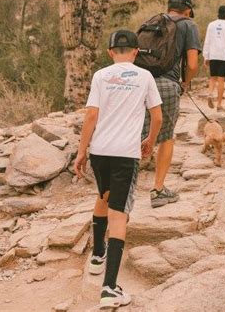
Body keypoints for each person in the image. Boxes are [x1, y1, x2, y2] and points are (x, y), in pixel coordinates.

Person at [74, 29, 163, 310]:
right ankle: (110, 288)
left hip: (99, 151)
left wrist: (81, 151)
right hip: (125, 153)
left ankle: (98, 254)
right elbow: (157, 115)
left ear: (111, 52)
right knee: (119, 213)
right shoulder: (145, 76)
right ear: (136, 51)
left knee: (103, 196)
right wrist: (150, 140)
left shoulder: (101, 75)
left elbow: (91, 115)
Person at [141, 0, 201, 208]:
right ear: (187, 9)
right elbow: (192, 64)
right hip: (167, 85)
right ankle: (158, 190)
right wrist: (185, 82)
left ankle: (121, 188)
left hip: (140, 82)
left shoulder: (153, 21)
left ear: (169, 7)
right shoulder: (188, 25)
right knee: (166, 136)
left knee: (140, 133)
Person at [203, 5, 225, 111]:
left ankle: (210, 93)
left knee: (213, 78)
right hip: (223, 56)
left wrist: (206, 56)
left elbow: (207, 40)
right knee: (221, 80)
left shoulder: (211, 25)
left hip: (213, 55)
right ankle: (219, 105)